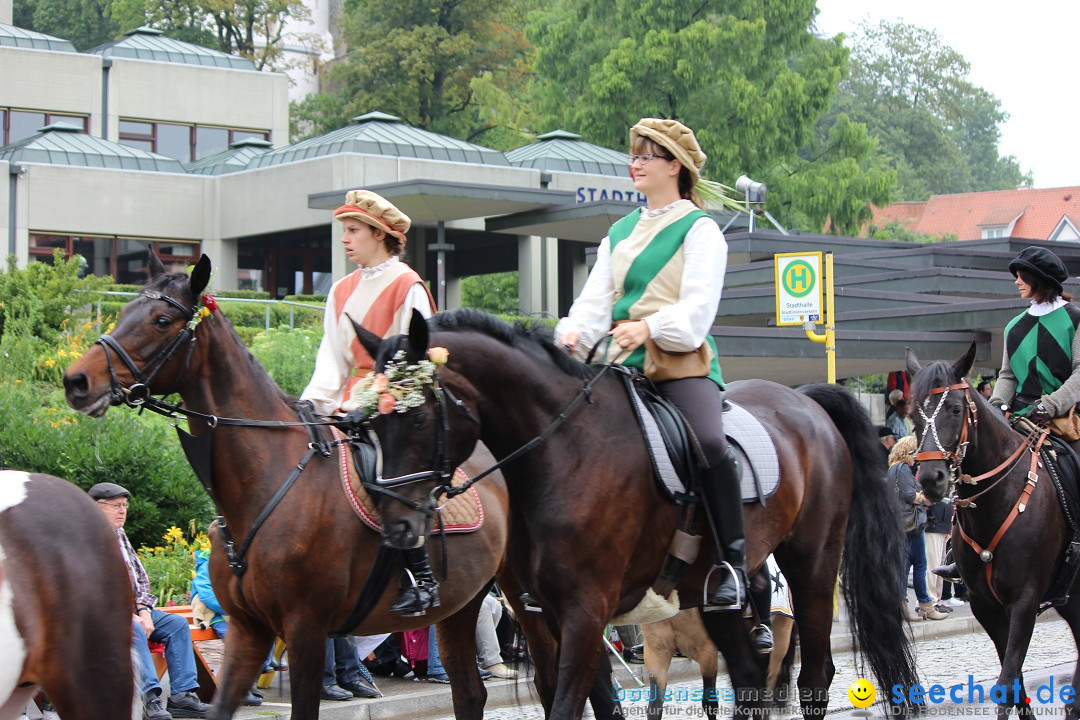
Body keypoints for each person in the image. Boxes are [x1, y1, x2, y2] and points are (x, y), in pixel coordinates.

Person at [554, 118, 758, 637]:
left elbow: (696, 313)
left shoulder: (700, 230)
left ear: (675, 166)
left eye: (648, 155)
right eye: (634, 154)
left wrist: (648, 326)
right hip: (619, 364)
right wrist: (573, 335)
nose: (636, 162)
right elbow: (594, 303)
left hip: (679, 363)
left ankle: (732, 565)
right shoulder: (619, 232)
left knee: (710, 443)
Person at [299, 189, 438, 617]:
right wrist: (312, 403)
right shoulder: (340, 290)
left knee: (384, 472)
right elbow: (331, 357)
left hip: (395, 406)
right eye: (344, 230)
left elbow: (418, 356)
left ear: (380, 234)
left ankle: (424, 579)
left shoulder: (407, 285)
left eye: (353, 230)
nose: (345, 239)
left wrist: (378, 397)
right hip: (346, 405)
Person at [937, 246, 1078, 582]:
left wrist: (1051, 403)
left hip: (1064, 419)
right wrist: (997, 404)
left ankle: (1075, 542)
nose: (1017, 281)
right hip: (1020, 418)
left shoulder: (1075, 318)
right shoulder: (1015, 325)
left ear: (1039, 279)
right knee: (974, 470)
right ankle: (961, 551)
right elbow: (1008, 376)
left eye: (1022, 275)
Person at [89, 482, 211, 720]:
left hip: (135, 611)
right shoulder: (87, 538)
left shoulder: (120, 534)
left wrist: (144, 611)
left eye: (124, 505)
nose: (122, 511)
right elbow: (95, 588)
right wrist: (131, 615)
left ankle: (182, 698)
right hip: (103, 615)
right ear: (96, 508)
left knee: (175, 624)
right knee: (133, 627)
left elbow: (141, 580)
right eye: (116, 506)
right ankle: (148, 700)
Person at [887, 439, 946, 621]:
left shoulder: (893, 469)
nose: (917, 458)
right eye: (915, 453)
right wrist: (926, 499)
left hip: (901, 524)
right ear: (907, 452)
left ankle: (909, 605)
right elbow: (909, 496)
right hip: (911, 525)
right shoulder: (902, 468)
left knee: (906, 565)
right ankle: (924, 606)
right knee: (918, 565)